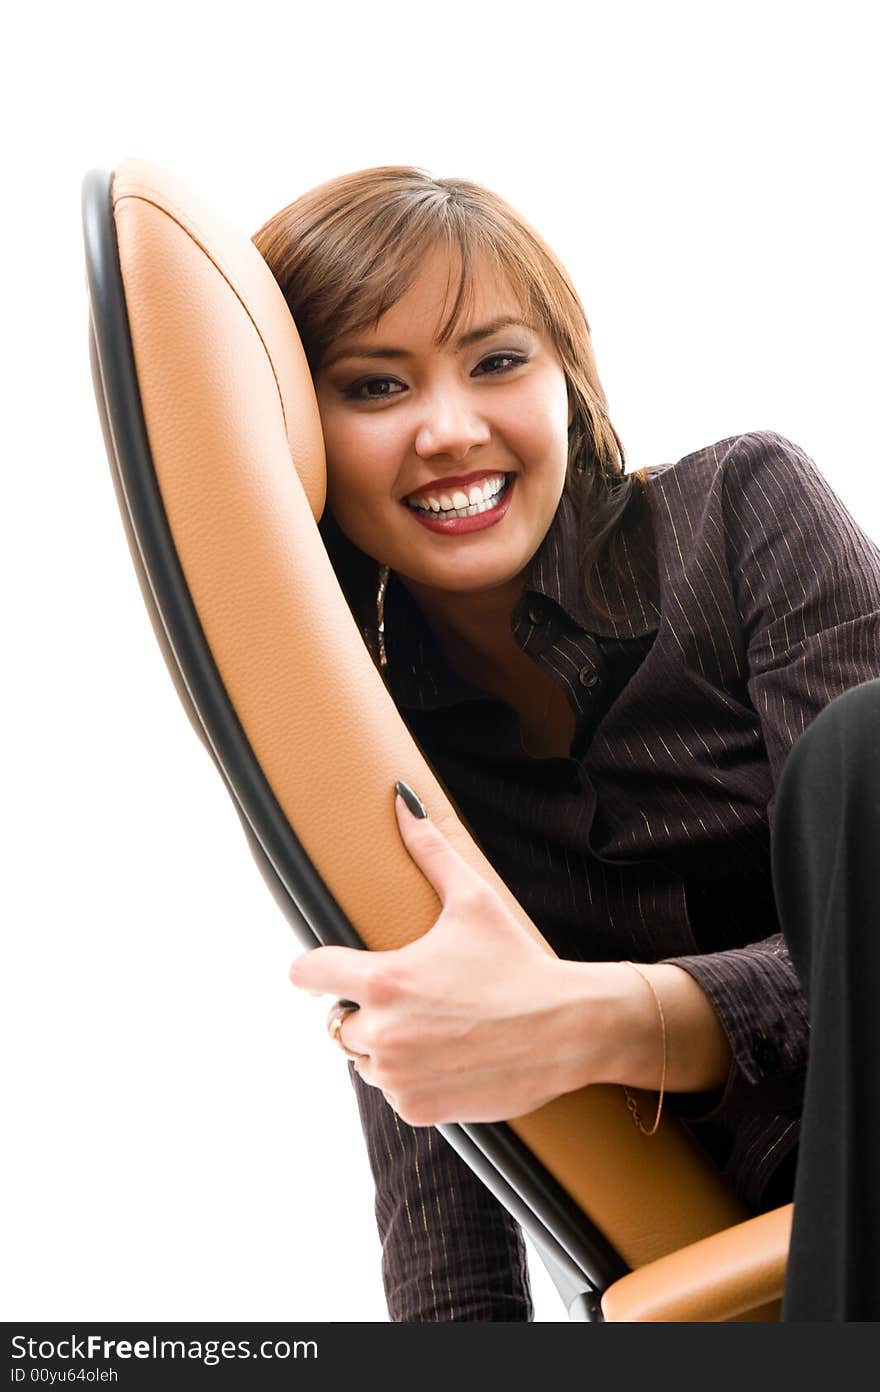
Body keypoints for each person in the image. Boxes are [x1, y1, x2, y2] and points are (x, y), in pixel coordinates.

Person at [251, 168, 880, 1322]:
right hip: (790, 1267)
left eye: (498, 362)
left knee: (863, 751)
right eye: (375, 385)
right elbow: (445, 1228)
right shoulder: (375, 761)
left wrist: (593, 1018)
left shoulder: (744, 512)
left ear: (569, 380)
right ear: (297, 433)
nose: (451, 430)